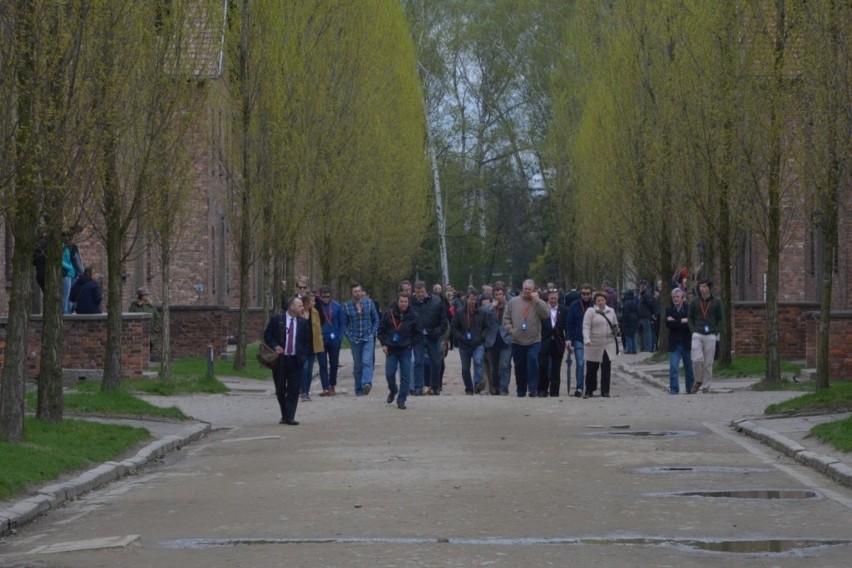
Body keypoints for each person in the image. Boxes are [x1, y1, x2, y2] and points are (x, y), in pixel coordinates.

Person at [264, 296, 311, 425]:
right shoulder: (277, 320)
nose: (302, 308)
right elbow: (267, 334)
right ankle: (284, 414)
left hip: (296, 360)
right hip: (280, 360)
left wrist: (303, 355)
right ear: (292, 307)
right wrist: (275, 346)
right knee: (280, 389)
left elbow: (307, 341)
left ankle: (290, 416)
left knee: (293, 390)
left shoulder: (303, 323)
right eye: (300, 305)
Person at [502, 278, 550, 397]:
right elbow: (506, 318)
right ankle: (521, 389)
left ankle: (532, 389)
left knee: (533, 361)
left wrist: (537, 300)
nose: (527, 291)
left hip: (534, 340)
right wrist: (511, 330)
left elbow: (546, 315)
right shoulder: (513, 301)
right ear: (522, 289)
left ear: (534, 290)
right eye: (525, 289)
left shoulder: (538, 302)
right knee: (519, 366)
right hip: (517, 340)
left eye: (530, 289)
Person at [377, 292, 419, 409]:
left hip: (406, 349)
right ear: (397, 301)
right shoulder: (388, 314)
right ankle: (393, 389)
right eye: (402, 301)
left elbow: (418, 334)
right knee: (389, 373)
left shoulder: (413, 315)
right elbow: (381, 331)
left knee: (405, 376)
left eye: (406, 301)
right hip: (391, 350)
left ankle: (401, 400)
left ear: (408, 302)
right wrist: (384, 344)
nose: (404, 304)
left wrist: (411, 343)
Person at [410, 280, 448, 396]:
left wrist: (438, 332)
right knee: (418, 362)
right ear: (414, 292)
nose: (420, 294)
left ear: (425, 290)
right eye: (418, 292)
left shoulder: (436, 301)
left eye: (422, 291)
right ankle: (418, 387)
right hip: (418, 336)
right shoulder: (411, 303)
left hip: (433, 336)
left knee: (436, 362)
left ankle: (435, 387)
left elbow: (443, 319)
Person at [341, 282, 380, 396]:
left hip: (368, 337)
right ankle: (358, 389)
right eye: (355, 291)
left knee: (367, 361)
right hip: (355, 338)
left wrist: (372, 333)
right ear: (352, 293)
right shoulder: (347, 306)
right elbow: (344, 324)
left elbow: (376, 319)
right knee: (358, 365)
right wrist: (349, 336)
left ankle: (366, 383)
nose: (358, 293)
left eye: (359, 291)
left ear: (362, 291)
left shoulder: (369, 303)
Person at [451, 289, 492, 395]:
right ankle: (469, 388)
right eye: (471, 299)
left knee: (478, 362)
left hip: (478, 343)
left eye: (475, 299)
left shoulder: (482, 312)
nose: (473, 301)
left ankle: (478, 384)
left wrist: (482, 337)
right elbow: (454, 327)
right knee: (465, 368)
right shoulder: (460, 312)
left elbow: (487, 327)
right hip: (464, 344)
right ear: (466, 299)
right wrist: (460, 337)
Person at [687, 279, 724, 394]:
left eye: (704, 286)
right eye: (700, 286)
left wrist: (716, 332)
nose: (701, 288)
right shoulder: (694, 301)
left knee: (708, 362)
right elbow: (690, 317)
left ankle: (706, 385)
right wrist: (693, 331)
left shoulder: (717, 302)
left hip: (711, 334)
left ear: (709, 288)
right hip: (697, 333)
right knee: (696, 358)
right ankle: (698, 380)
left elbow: (720, 318)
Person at [582, 290, 620, 398]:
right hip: (594, 344)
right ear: (595, 301)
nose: (601, 302)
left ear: (605, 300)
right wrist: (586, 339)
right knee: (592, 369)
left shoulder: (611, 311)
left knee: (606, 368)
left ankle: (605, 391)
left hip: (608, 344)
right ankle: (589, 390)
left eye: (602, 300)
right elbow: (586, 326)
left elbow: (615, 323)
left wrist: (616, 329)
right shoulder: (591, 311)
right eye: (598, 300)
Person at [537, 289, 568, 397]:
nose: (553, 300)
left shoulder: (564, 310)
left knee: (556, 369)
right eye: (551, 298)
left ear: (558, 298)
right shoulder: (542, 309)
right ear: (548, 298)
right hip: (544, 342)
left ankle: (555, 391)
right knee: (543, 367)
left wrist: (568, 340)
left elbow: (567, 327)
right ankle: (542, 390)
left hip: (558, 343)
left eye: (555, 298)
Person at [483, 285, 512, 395]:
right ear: (493, 296)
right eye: (496, 295)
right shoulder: (488, 307)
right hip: (492, 340)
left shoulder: (509, 306)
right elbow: (483, 317)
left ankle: (504, 389)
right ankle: (495, 388)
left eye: (500, 294)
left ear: (504, 295)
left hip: (506, 339)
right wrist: (491, 307)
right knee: (494, 368)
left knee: (505, 365)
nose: (498, 296)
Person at [566, 284, 593, 397]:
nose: (585, 296)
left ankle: (590, 388)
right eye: (583, 294)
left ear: (591, 294)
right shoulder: (574, 305)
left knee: (591, 365)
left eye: (588, 294)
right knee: (580, 363)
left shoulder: (594, 305)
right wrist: (569, 339)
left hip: (592, 339)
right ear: (580, 294)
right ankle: (579, 387)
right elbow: (569, 323)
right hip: (578, 338)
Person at [665, 287, 694, 394]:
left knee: (689, 369)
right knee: (673, 367)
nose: (675, 299)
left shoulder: (688, 309)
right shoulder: (669, 310)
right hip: (674, 343)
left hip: (686, 342)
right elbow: (668, 324)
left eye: (677, 297)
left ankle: (690, 388)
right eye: (673, 297)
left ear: (682, 298)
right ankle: (674, 390)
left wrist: (676, 321)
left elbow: (690, 324)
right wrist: (682, 320)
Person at [317, 285, 344, 396]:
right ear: (320, 296)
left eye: (327, 296)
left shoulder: (337, 306)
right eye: (323, 297)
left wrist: (340, 337)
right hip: (321, 338)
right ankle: (325, 387)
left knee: (334, 363)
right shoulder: (317, 307)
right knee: (322, 364)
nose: (325, 299)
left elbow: (342, 323)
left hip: (334, 338)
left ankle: (332, 385)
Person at [299, 293, 324, 401]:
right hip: (301, 345)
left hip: (312, 344)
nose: (313, 303)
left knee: (309, 370)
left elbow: (318, 327)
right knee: (303, 368)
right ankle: (302, 390)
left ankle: (306, 391)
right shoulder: (298, 313)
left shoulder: (315, 312)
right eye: (311, 301)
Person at [129, 287, 162, 360]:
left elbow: (158, 317)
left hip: (151, 332)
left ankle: (147, 364)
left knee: (148, 349)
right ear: (141, 296)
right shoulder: (134, 306)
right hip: (138, 332)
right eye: (145, 295)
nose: (147, 296)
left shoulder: (151, 306)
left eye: (148, 295)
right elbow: (131, 317)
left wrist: (155, 329)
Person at [637, 279, 655, 352]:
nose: (641, 287)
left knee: (647, 332)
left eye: (642, 285)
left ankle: (648, 348)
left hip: (645, 315)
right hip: (641, 315)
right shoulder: (642, 294)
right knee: (642, 332)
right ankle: (643, 347)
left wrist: (652, 313)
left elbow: (650, 304)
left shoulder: (646, 294)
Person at [620, 289, 639, 354]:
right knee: (634, 335)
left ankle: (629, 349)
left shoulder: (626, 303)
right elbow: (638, 311)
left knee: (628, 335)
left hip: (628, 320)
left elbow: (625, 313)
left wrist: (624, 321)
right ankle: (635, 349)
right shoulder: (635, 302)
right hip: (635, 319)